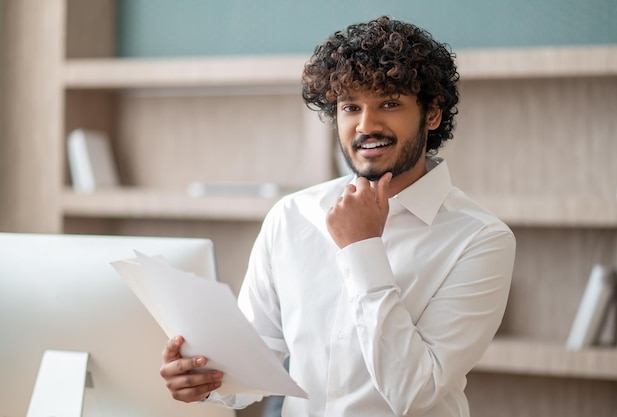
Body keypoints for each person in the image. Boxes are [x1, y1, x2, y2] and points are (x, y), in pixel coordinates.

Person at [159, 15, 515, 417]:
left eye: (390, 103)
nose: (366, 125)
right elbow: (249, 371)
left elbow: (415, 393)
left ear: (432, 114)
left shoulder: (480, 238)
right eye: (350, 107)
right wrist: (203, 379)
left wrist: (362, 248)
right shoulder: (292, 216)